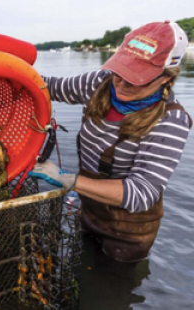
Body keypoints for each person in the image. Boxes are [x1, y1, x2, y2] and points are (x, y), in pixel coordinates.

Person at [29, 21, 192, 262]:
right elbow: (48, 87)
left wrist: (68, 179)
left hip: (128, 231)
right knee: (80, 263)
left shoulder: (170, 120)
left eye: (138, 79)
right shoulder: (99, 83)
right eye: (120, 72)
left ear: (166, 78)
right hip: (89, 208)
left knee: (114, 287)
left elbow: (142, 193)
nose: (122, 84)